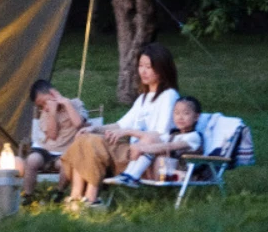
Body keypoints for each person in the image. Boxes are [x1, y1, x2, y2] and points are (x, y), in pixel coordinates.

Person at [60, 43, 180, 207]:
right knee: (85, 137)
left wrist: (129, 132)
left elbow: (161, 136)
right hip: (129, 153)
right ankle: (75, 196)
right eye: (140, 66)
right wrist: (95, 128)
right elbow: (120, 124)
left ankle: (91, 198)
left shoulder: (169, 96)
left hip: (143, 156)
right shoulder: (143, 98)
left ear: (162, 68)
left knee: (93, 142)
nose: (143, 71)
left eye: (149, 67)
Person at [107, 95, 204, 187]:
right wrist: (126, 131)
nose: (180, 117)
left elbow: (169, 146)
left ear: (196, 117)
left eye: (186, 113)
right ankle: (129, 175)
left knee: (156, 148)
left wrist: (141, 148)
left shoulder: (194, 137)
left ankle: (131, 176)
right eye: (176, 113)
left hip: (181, 175)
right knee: (152, 138)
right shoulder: (174, 134)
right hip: (163, 169)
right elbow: (150, 136)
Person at [19, 79, 88, 203]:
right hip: (45, 149)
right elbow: (52, 135)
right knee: (32, 160)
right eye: (40, 106)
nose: (44, 108)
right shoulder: (46, 113)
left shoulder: (75, 104)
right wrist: (52, 112)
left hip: (64, 152)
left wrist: (66, 103)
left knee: (66, 165)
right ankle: (28, 196)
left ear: (53, 93)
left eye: (44, 103)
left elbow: (79, 124)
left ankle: (58, 193)